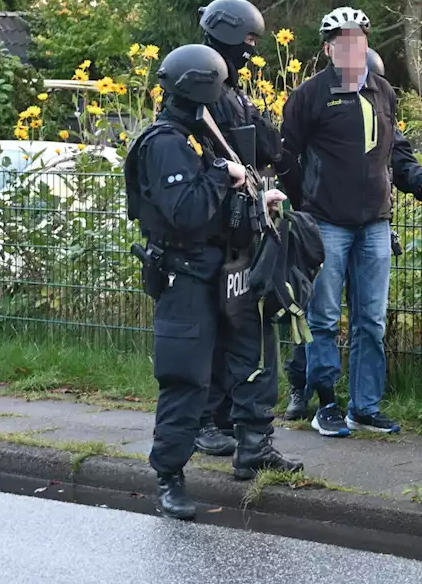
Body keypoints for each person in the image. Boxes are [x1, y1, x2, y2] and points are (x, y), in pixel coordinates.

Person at [124, 44, 298, 520]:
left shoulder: (198, 133)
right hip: (186, 278)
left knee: (249, 359)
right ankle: (170, 477)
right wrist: (225, 174)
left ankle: (254, 446)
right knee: (186, 379)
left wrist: (257, 197)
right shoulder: (165, 144)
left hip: (226, 270)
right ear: (199, 88)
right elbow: (186, 212)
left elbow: (219, 203)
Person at [278, 7, 422, 437]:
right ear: (329, 49)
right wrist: (304, 207)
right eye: (343, 42)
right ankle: (326, 404)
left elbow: (396, 152)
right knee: (325, 318)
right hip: (326, 224)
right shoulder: (310, 95)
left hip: (375, 226)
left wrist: (421, 180)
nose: (353, 48)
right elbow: (284, 157)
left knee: (371, 320)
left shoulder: (382, 92)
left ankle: (364, 406)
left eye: (360, 40)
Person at [194, 0, 284, 458]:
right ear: (229, 33)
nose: (252, 47)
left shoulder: (233, 89)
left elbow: (264, 146)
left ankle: (227, 414)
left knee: (236, 326)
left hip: (240, 227)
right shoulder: (204, 87)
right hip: (212, 228)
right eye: (248, 39)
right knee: (215, 326)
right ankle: (207, 419)